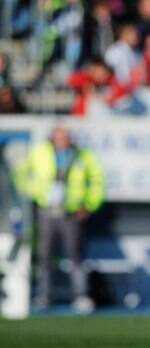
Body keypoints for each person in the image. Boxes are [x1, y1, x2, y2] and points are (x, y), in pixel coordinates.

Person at [16, 125, 105, 313]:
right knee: (45, 255)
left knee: (75, 254)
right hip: (46, 209)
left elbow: (97, 180)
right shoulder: (40, 152)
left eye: (65, 136)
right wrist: (35, 193)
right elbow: (22, 173)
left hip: (71, 211)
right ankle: (44, 295)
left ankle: (81, 296)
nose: (61, 139)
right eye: (58, 136)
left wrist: (89, 204)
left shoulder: (82, 155)